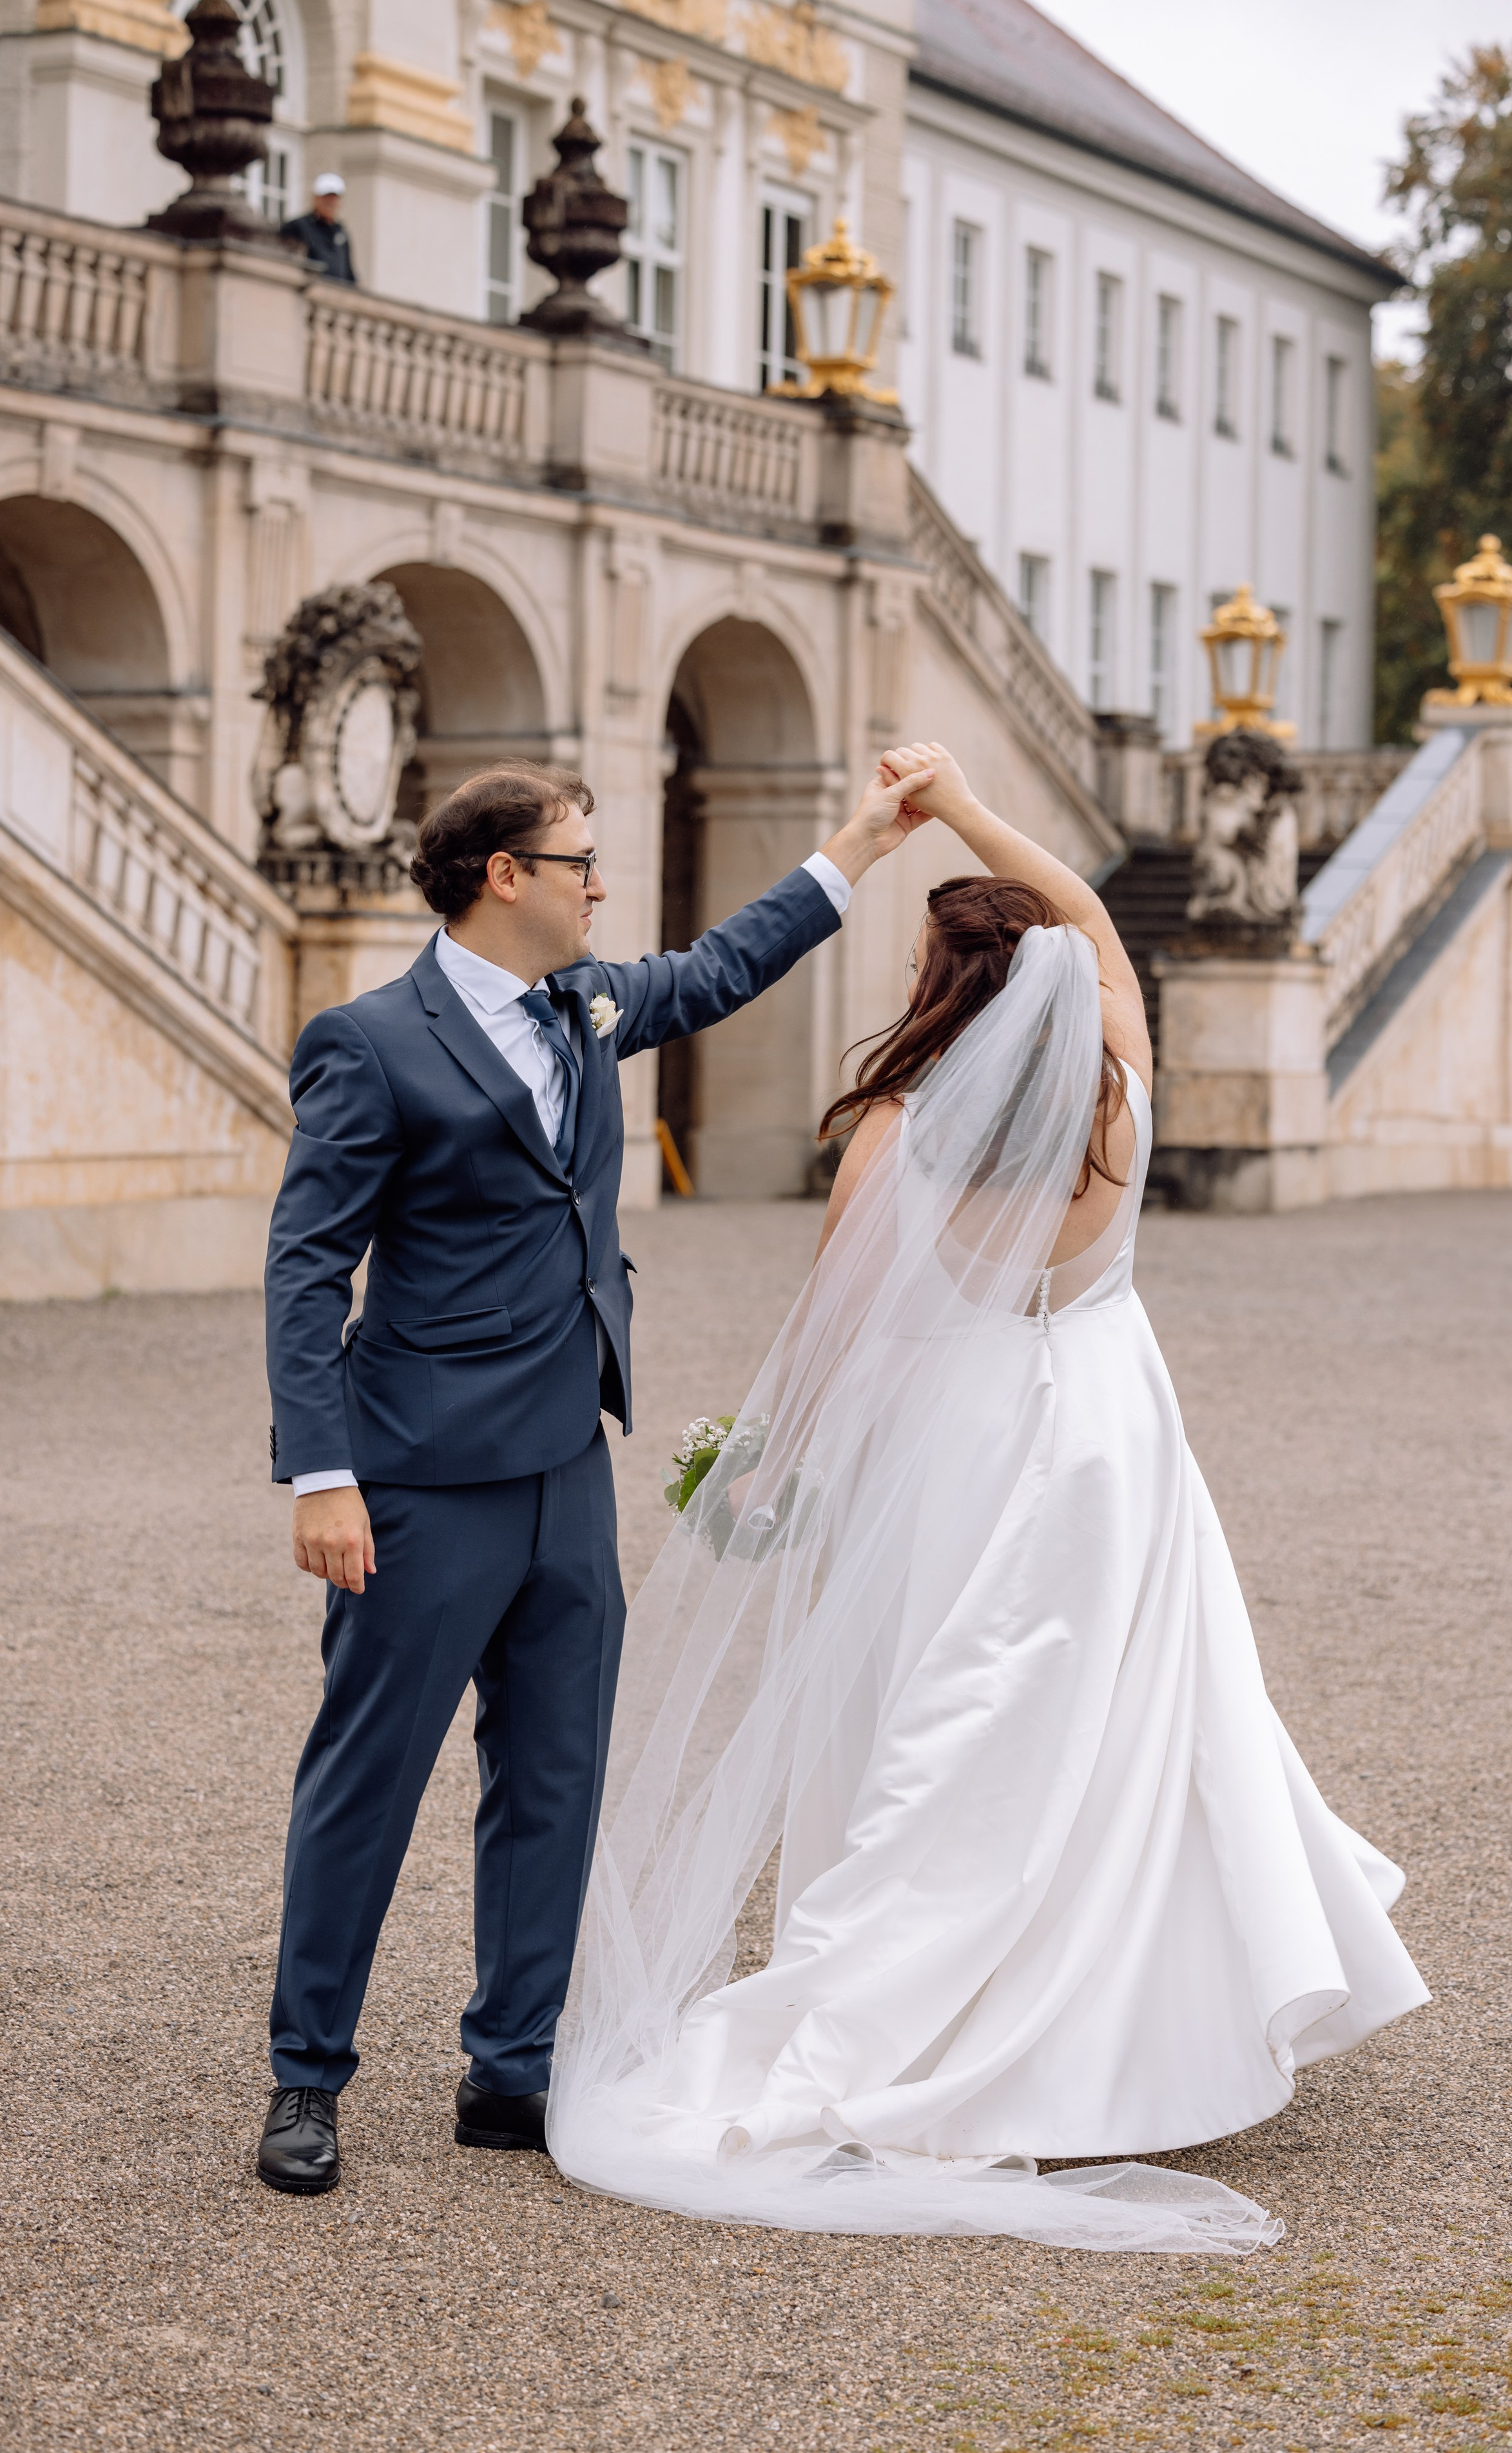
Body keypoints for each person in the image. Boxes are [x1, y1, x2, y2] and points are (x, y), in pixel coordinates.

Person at [548, 741, 1430, 2255]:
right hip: (1109, 1435)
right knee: (1124, 1728)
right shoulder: (1120, 1082)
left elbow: (823, 1339)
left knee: (944, 1727)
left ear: (946, 990)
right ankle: (1119, 2025)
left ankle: (910, 2024)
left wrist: (763, 1472)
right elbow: (1086, 912)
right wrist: (952, 800)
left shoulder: (901, 1131)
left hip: (959, 1439)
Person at [256, 753, 938, 2195]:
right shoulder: (369, 1042)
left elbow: (720, 966)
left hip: (571, 1457)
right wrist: (320, 1474)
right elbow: (304, 1267)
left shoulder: (588, 1004)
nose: (599, 884)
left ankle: (511, 2064)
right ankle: (306, 2078)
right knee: (366, 1780)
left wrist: (863, 841)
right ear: (504, 875)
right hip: (420, 1477)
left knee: (554, 1775)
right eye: (578, 860)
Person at [278, 173, 356, 282]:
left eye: (334, 199)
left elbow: (349, 272)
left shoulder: (341, 232)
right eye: (326, 198)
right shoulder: (297, 226)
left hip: (336, 294)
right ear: (315, 199)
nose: (330, 203)